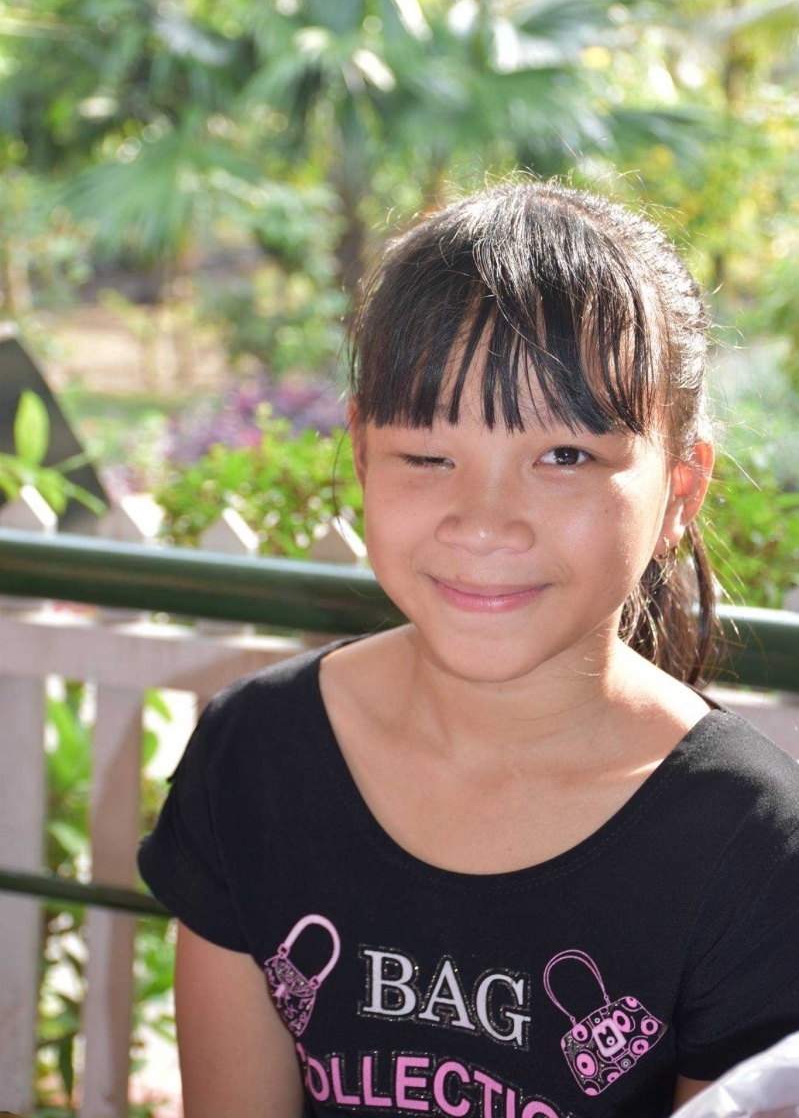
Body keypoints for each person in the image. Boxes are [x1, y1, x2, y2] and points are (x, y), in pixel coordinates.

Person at [137, 178, 799, 1118]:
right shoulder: (256, 756)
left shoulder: (752, 846)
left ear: (679, 491)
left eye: (564, 456)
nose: (484, 523)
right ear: (361, 453)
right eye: (428, 455)